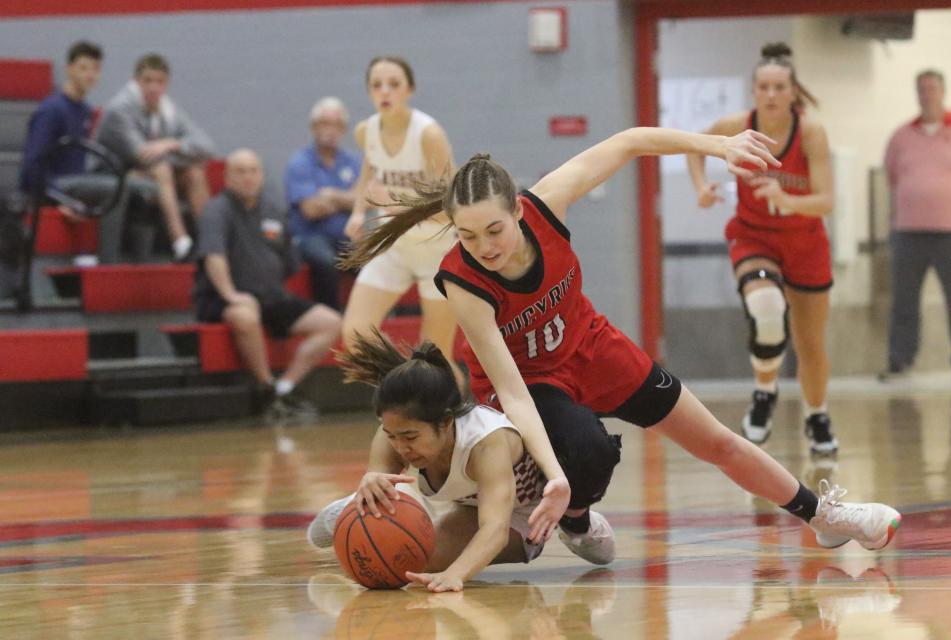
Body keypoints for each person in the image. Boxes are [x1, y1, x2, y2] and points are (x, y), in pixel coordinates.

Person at [340, 125, 901, 567]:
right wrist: (554, 476)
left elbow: (630, 142)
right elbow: (511, 391)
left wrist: (717, 145)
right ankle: (577, 515)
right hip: (531, 386)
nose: (483, 246)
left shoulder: (548, 203)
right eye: (466, 235)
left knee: (715, 440)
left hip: (594, 347)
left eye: (494, 230)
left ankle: (823, 515)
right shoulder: (463, 282)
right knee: (586, 452)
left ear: (517, 210)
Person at [307, 330, 551, 593]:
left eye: (410, 436)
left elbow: (495, 529)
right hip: (471, 506)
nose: (401, 446)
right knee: (403, 556)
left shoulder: (485, 443)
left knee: (416, 560)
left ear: (446, 422)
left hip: (527, 512)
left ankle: (582, 524)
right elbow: (381, 475)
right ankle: (350, 508)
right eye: (391, 435)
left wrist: (455, 574)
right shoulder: (394, 433)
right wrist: (371, 483)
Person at [686, 42, 838, 455]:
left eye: (779, 87)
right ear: (754, 91)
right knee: (768, 310)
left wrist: (786, 199)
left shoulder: (810, 132)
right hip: (754, 237)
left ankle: (817, 416)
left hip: (805, 241)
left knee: (810, 342)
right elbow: (693, 145)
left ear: (792, 92)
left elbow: (826, 201)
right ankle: (764, 393)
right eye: (764, 87)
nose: (771, 94)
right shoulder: (738, 124)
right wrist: (701, 187)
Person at [193, 148, 341, 415]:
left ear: (261, 175)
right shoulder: (217, 210)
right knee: (246, 315)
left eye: (253, 171)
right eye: (240, 171)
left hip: (271, 296)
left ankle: (285, 387)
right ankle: (266, 389)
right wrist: (230, 294)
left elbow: (288, 261)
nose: (248, 178)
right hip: (223, 298)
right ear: (227, 178)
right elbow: (214, 257)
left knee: (330, 322)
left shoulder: (273, 208)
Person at [339, 56, 460, 378]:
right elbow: (370, 166)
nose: (385, 91)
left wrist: (396, 201)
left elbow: (453, 206)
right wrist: (358, 210)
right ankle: (405, 388)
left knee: (437, 357)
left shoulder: (428, 134)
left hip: (437, 250)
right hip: (393, 244)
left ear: (410, 89)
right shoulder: (366, 131)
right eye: (377, 85)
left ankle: (456, 414)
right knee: (356, 337)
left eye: (394, 84)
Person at [17, 40, 138, 264]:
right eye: (84, 68)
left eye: (95, 69)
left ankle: (141, 261)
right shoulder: (51, 110)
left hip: (75, 183)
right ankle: (108, 265)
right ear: (69, 69)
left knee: (142, 187)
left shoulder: (85, 110)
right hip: (55, 187)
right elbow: (32, 166)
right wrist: (58, 200)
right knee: (117, 188)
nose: (90, 75)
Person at [880, 69, 951, 381]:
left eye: (932, 88)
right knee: (904, 300)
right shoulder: (901, 137)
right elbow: (891, 178)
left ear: (943, 91)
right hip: (908, 232)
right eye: (921, 88)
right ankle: (900, 360)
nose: (927, 94)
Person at [97, 53, 215, 261]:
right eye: (147, 81)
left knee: (194, 172)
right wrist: (179, 153)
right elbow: (142, 154)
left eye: (159, 82)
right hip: (113, 174)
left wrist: (172, 144)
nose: (153, 87)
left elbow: (207, 148)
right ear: (135, 81)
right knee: (162, 168)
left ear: (167, 83)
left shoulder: (169, 109)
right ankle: (180, 241)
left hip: (149, 174)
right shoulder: (120, 109)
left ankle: (211, 244)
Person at [284, 97, 360, 310]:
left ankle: (373, 323)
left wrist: (331, 195)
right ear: (313, 127)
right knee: (326, 262)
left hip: (346, 234)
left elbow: (367, 199)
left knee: (374, 259)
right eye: (325, 124)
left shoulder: (353, 161)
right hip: (310, 236)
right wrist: (347, 200)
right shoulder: (300, 163)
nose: (331, 130)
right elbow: (310, 210)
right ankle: (332, 317)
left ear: (344, 129)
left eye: (337, 125)